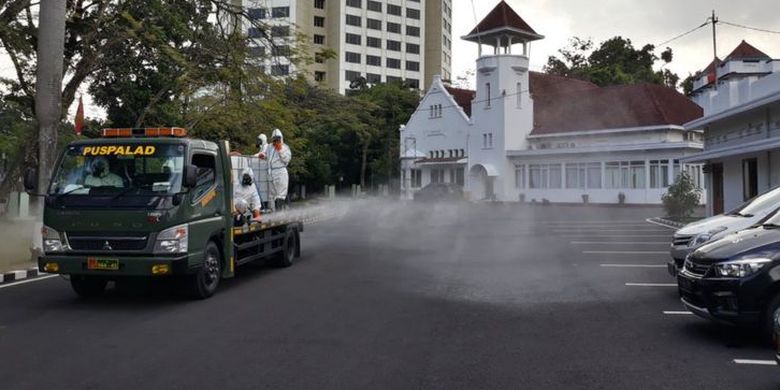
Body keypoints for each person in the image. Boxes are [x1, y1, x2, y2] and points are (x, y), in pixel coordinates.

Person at [266, 128, 291, 211]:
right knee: (271, 195)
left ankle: (280, 211)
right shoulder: (269, 147)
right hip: (271, 172)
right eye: (274, 139)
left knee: (280, 193)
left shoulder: (285, 148)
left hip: (281, 172)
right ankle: (273, 212)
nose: (275, 141)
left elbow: (286, 160)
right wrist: (263, 156)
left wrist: (280, 149)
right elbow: (266, 155)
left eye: (277, 139)